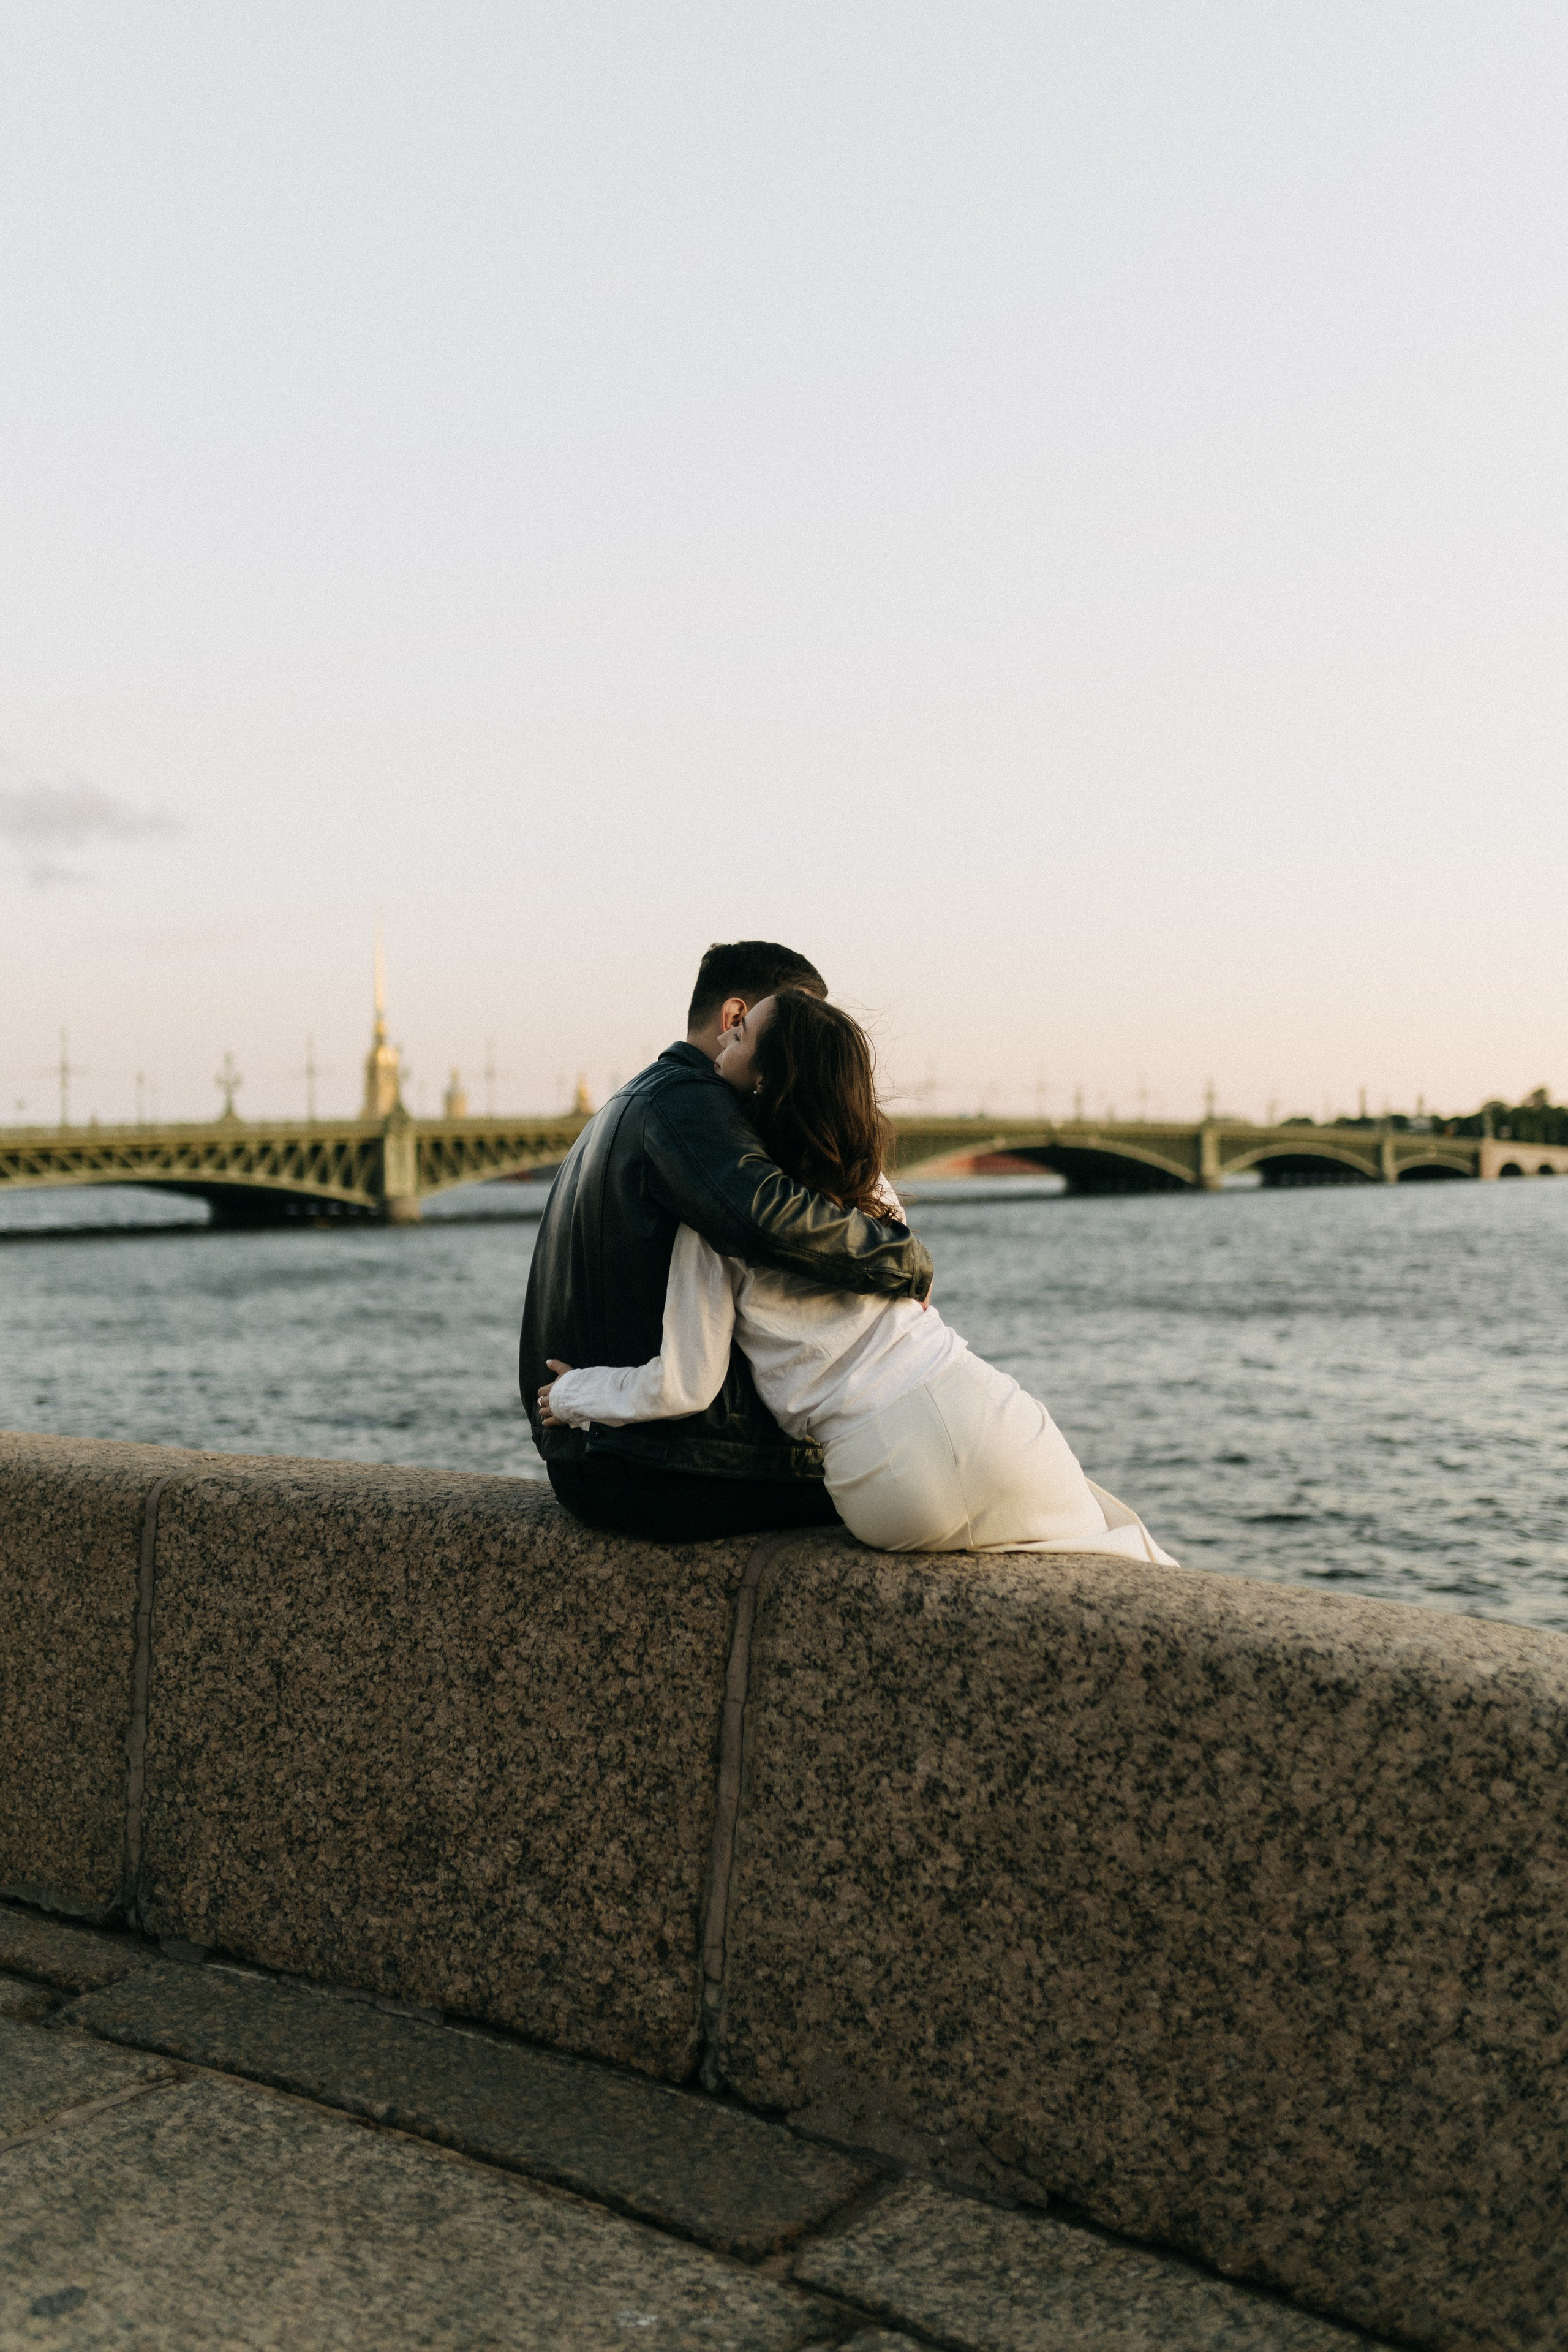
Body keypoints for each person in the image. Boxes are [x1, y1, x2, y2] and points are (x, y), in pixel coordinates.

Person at [538, 989, 1174, 1560]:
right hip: (981, 1417)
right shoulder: (867, 1185)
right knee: (1121, 1558)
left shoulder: (715, 1220)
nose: (726, 1037)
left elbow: (684, 1386)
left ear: (767, 1078)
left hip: (879, 1484)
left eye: (743, 1034)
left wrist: (571, 1395)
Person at [519, 941, 933, 1544]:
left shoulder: (628, 1102)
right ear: (736, 1017)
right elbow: (765, 1215)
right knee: (911, 1481)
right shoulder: (690, 1101)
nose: (804, 1049)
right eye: (792, 1027)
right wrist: (905, 1260)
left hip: (612, 1459)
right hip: (674, 1469)